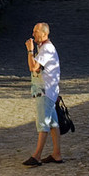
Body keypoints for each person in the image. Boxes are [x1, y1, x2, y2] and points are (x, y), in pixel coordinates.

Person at [24, 21, 62, 164]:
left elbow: (33, 67)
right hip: (49, 90)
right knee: (53, 123)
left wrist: (29, 50)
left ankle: (37, 156)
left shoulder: (46, 49)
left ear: (45, 33)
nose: (33, 34)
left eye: (36, 32)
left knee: (43, 123)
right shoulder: (45, 48)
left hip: (45, 91)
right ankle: (56, 154)